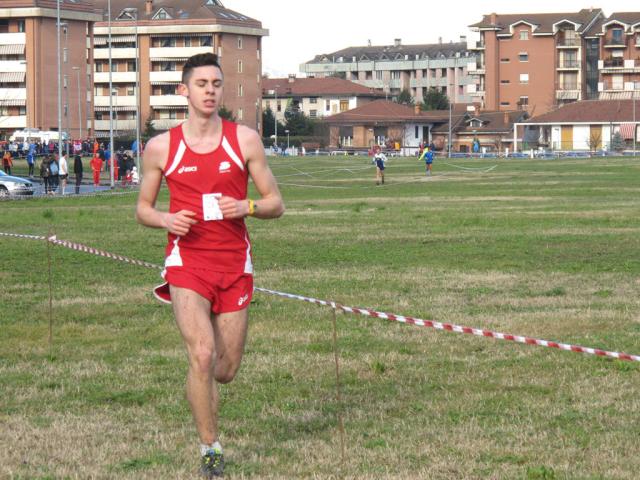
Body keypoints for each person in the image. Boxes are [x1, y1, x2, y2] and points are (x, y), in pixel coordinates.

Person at [135, 52, 284, 478]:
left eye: (216, 84)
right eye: (201, 84)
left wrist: (247, 205)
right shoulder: (161, 146)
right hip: (187, 262)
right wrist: (166, 219)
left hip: (235, 262)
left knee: (224, 368)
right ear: (184, 90)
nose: (210, 91)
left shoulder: (245, 140)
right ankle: (210, 447)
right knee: (201, 354)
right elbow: (143, 209)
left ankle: (205, 393)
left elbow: (277, 204)